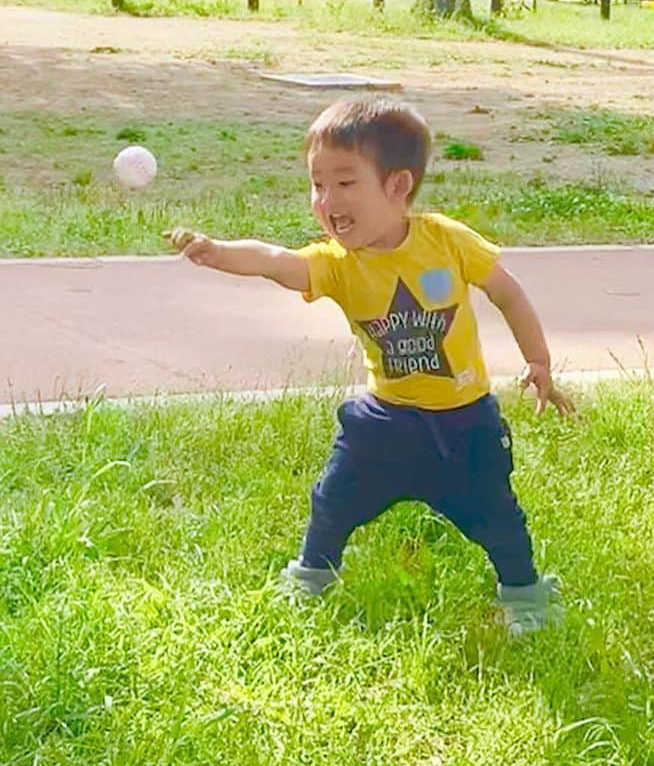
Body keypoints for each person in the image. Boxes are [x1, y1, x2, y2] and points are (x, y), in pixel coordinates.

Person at [165, 98, 570, 633]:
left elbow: (508, 294)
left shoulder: (446, 241)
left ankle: (524, 594)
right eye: (317, 185)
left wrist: (537, 360)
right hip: (384, 420)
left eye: (345, 183)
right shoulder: (337, 264)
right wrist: (217, 252)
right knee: (333, 499)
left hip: (465, 419)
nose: (327, 200)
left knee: (497, 514)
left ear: (397, 187)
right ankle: (312, 576)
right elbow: (273, 260)